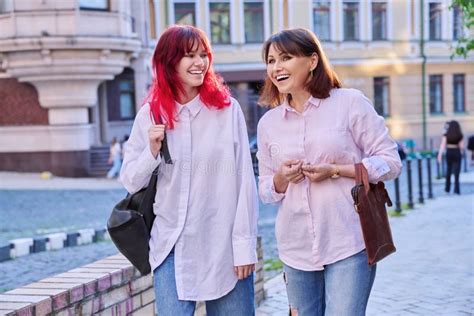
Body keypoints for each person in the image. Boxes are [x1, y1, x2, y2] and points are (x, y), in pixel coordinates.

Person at [256, 28, 402, 316]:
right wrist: (283, 178)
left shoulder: (349, 103)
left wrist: (337, 170)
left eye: (285, 58)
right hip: (295, 248)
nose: (276, 68)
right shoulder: (268, 124)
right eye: (271, 61)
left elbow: (391, 162)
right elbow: (265, 192)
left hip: (347, 242)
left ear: (312, 61)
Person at [120, 25, 258, 316]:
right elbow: (131, 181)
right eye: (188, 56)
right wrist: (152, 151)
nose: (199, 63)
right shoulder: (151, 114)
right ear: (169, 62)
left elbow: (245, 182)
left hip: (223, 247)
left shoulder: (227, 110)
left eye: (203, 54)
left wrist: (244, 247)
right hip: (171, 246)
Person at [437, 120, 464, 194]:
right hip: (457, 152)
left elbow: (442, 145)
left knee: (448, 170)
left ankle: (447, 188)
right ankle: (457, 189)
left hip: (449, 151)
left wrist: (439, 154)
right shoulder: (459, 135)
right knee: (457, 171)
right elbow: (462, 147)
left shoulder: (446, 134)